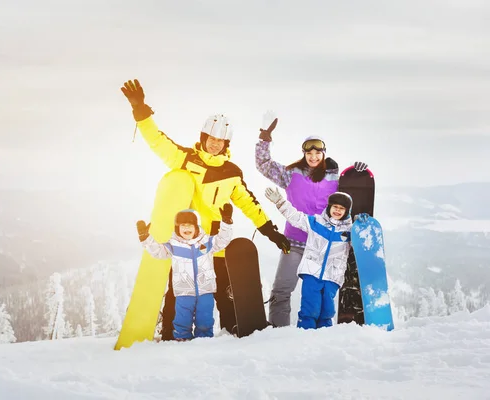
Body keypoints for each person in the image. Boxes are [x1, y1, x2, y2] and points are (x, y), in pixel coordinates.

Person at [121, 79, 290, 339]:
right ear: (203, 138)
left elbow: (249, 204)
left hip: (215, 244)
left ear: (226, 144)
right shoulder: (186, 159)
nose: (214, 144)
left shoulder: (232, 173)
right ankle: (169, 333)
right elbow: (157, 140)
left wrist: (271, 232)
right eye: (211, 138)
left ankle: (230, 334)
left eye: (220, 140)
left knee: (223, 292)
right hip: (185, 242)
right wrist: (140, 110)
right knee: (179, 290)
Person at [255, 111, 368, 327]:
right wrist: (264, 137)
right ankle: (279, 333)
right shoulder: (291, 174)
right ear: (304, 153)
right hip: (295, 243)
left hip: (323, 247)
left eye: (318, 152)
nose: (314, 157)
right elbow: (264, 165)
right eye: (310, 152)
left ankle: (318, 337)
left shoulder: (335, 178)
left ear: (324, 154)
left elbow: (350, 198)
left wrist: (358, 173)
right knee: (281, 290)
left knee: (321, 297)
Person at [136, 205, 233, 340]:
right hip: (183, 291)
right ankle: (182, 339)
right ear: (177, 228)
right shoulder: (173, 245)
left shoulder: (207, 242)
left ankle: (204, 340)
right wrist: (145, 238)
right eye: (183, 225)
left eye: (190, 225)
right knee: (182, 319)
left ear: (197, 227)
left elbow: (222, 240)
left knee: (205, 318)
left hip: (205, 290)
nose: (186, 228)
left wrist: (226, 223)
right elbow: (158, 251)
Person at [264, 188, 355, 329]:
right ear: (329, 207)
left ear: (347, 211)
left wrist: (362, 225)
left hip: (332, 276)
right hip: (312, 273)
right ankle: (305, 333)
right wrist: (280, 202)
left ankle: (325, 336)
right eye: (335, 207)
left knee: (327, 311)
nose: (337, 210)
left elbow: (358, 242)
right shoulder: (316, 222)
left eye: (342, 208)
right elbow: (296, 217)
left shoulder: (349, 231)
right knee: (310, 307)